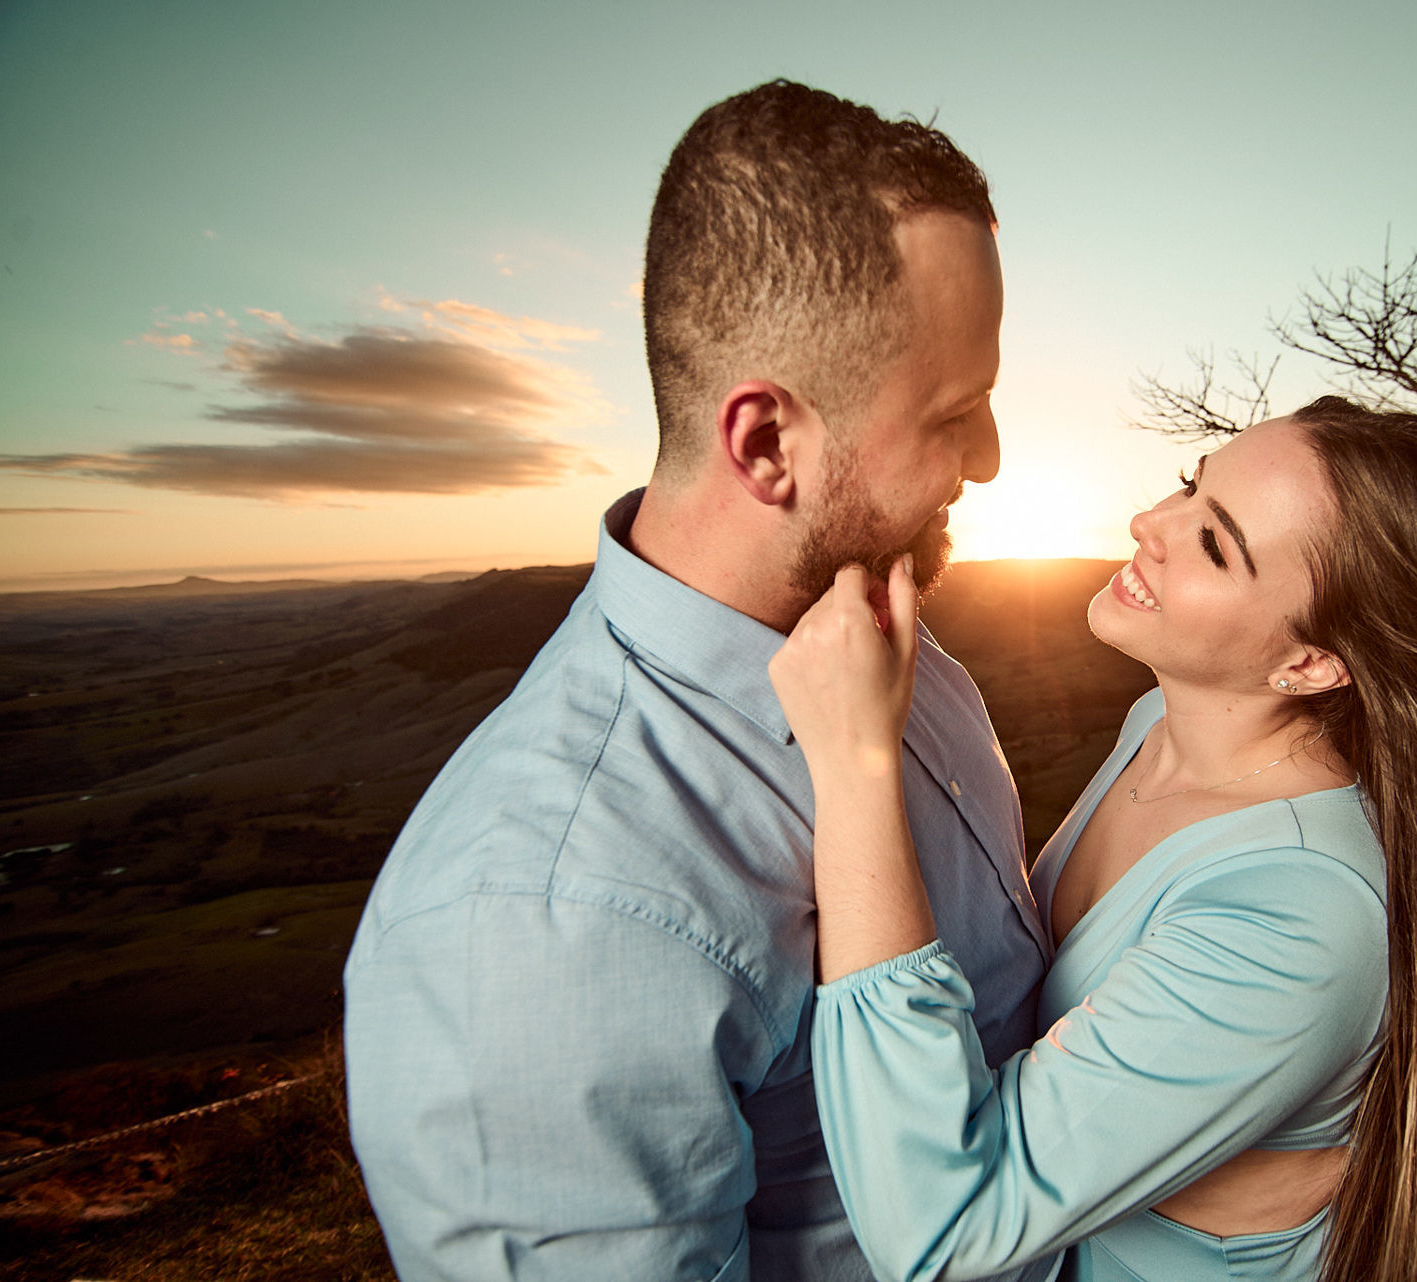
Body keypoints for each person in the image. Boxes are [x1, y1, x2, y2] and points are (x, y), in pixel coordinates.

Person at [770, 396, 1417, 1281]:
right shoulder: (1161, 729)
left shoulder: (1302, 915)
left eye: (1215, 542)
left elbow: (942, 1224)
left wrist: (856, 762)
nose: (1148, 522)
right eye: (1188, 485)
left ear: (1312, 663)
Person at [343, 81, 1056, 1282]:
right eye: (958, 412)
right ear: (767, 442)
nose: (989, 459)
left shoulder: (889, 639)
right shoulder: (540, 921)